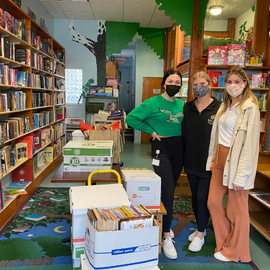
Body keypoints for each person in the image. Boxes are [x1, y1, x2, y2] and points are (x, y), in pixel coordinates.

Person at [125, 69, 184, 260]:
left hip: (179, 148)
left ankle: (161, 221)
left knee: (170, 188)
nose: (174, 85)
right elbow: (131, 118)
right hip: (162, 148)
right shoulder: (152, 103)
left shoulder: (180, 103)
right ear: (164, 84)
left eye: (177, 82)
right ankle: (165, 235)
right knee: (167, 189)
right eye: (171, 81)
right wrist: (149, 131)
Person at [206, 66, 260, 262]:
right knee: (213, 202)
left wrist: (242, 175)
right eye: (229, 82)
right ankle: (225, 243)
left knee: (237, 209)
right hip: (220, 160)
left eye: (237, 82)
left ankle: (237, 251)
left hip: (236, 162)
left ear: (245, 84)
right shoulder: (225, 106)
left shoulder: (250, 108)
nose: (232, 85)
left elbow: (251, 145)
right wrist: (213, 160)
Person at [182, 71, 221, 252]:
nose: (199, 87)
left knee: (202, 197)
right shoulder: (187, 107)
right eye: (195, 85)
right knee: (194, 198)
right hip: (190, 160)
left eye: (202, 83)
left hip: (209, 162)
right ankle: (202, 229)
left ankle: (199, 234)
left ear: (210, 84)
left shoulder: (220, 108)